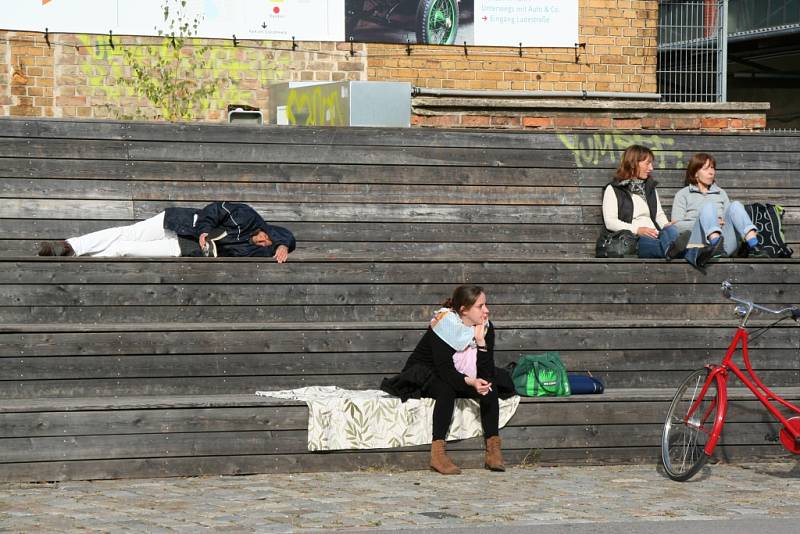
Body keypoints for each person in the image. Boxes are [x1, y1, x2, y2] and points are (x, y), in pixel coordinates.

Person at [381, 285, 514, 475]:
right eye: (480, 306)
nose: (486, 310)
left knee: (489, 385)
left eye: (486, 304)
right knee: (446, 389)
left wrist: (482, 344)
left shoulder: (485, 327)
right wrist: (471, 382)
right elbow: (445, 370)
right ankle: (437, 454)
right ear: (464, 310)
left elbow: (485, 371)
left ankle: (493, 450)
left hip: (462, 374)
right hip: (429, 373)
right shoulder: (444, 326)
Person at [37, 201, 296, 262]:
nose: (263, 243)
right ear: (265, 230)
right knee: (125, 232)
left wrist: (282, 247)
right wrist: (205, 231)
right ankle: (70, 246)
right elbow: (215, 209)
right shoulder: (248, 217)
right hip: (178, 223)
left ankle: (78, 259)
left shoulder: (257, 249)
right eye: (266, 238)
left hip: (181, 246)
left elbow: (284, 244)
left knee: (124, 249)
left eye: (268, 245)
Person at [671, 153, 767, 272]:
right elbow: (676, 226)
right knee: (708, 208)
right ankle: (715, 245)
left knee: (736, 205)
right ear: (695, 173)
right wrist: (706, 222)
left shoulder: (721, 193)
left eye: (712, 168)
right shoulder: (683, 195)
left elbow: (730, 220)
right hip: (699, 245)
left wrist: (719, 224)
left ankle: (754, 245)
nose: (711, 172)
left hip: (724, 246)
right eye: (706, 168)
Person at [602, 145, 690, 260]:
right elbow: (610, 222)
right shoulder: (614, 189)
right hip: (634, 240)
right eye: (647, 163)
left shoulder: (650, 187)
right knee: (668, 246)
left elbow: (658, 214)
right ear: (634, 163)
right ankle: (690, 253)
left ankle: (671, 250)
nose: (651, 168)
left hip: (657, 235)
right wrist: (638, 230)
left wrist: (665, 225)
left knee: (671, 229)